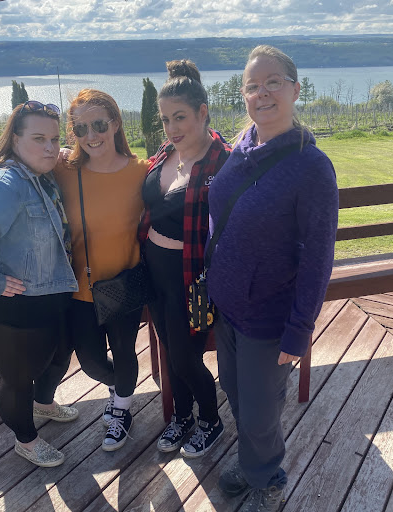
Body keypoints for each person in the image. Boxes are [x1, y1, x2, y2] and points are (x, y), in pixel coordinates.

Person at [207, 45, 339, 511]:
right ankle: (253, 464)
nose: (261, 93)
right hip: (227, 306)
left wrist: (300, 327)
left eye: (273, 83)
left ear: (295, 90)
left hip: (268, 315)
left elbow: (319, 256)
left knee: (261, 410)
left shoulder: (311, 167)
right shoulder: (242, 147)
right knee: (236, 393)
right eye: (252, 86)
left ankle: (266, 476)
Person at [0, 101, 80, 468]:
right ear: (15, 140)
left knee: (58, 356)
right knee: (19, 378)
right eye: (38, 139)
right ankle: (26, 440)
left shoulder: (40, 174)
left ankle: (44, 405)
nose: (50, 148)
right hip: (7, 305)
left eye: (54, 139)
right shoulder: (5, 183)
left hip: (45, 294)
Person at [139, 59, 231, 457]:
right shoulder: (165, 152)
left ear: (202, 112)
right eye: (165, 120)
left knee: (185, 356)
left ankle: (210, 420)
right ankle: (181, 416)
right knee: (169, 348)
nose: (172, 128)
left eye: (180, 117)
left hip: (192, 278)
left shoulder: (223, 162)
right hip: (154, 271)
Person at [53, 89, 149, 452]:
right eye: (80, 129)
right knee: (91, 362)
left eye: (98, 125)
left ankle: (122, 408)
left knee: (124, 351)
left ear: (116, 123)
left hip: (124, 281)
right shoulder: (64, 169)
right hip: (80, 286)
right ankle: (117, 386)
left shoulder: (141, 171)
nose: (91, 135)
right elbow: (10, 159)